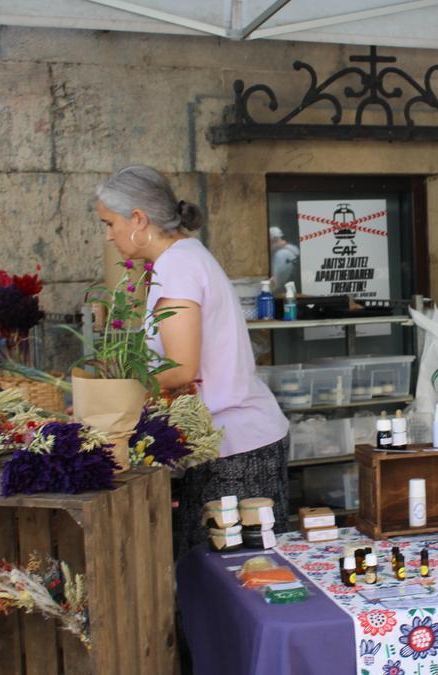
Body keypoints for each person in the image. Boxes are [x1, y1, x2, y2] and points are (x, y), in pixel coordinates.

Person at [95, 165, 290, 556]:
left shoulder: (177, 266)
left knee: (230, 585)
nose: (108, 235)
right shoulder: (184, 257)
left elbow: (181, 368)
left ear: (138, 219)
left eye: (109, 223)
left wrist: (112, 395)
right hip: (230, 443)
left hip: (234, 450)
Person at [269, 226, 300, 290]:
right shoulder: (292, 249)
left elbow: (274, 283)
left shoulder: (280, 254)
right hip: (289, 287)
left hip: (285, 289)